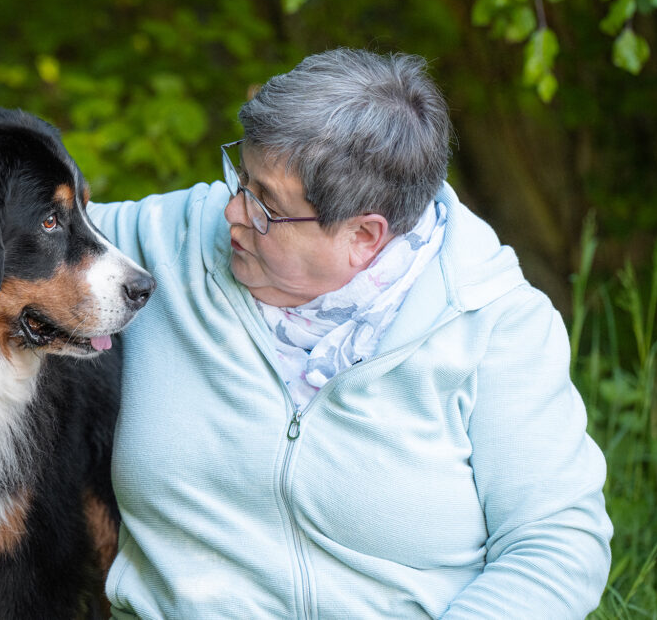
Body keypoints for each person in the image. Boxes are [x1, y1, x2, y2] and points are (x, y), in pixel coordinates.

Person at [87, 48, 612, 618]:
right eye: (241, 178)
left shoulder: (495, 327)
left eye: (266, 204)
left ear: (365, 235)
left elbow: (557, 545)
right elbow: (20, 222)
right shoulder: (168, 242)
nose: (234, 212)